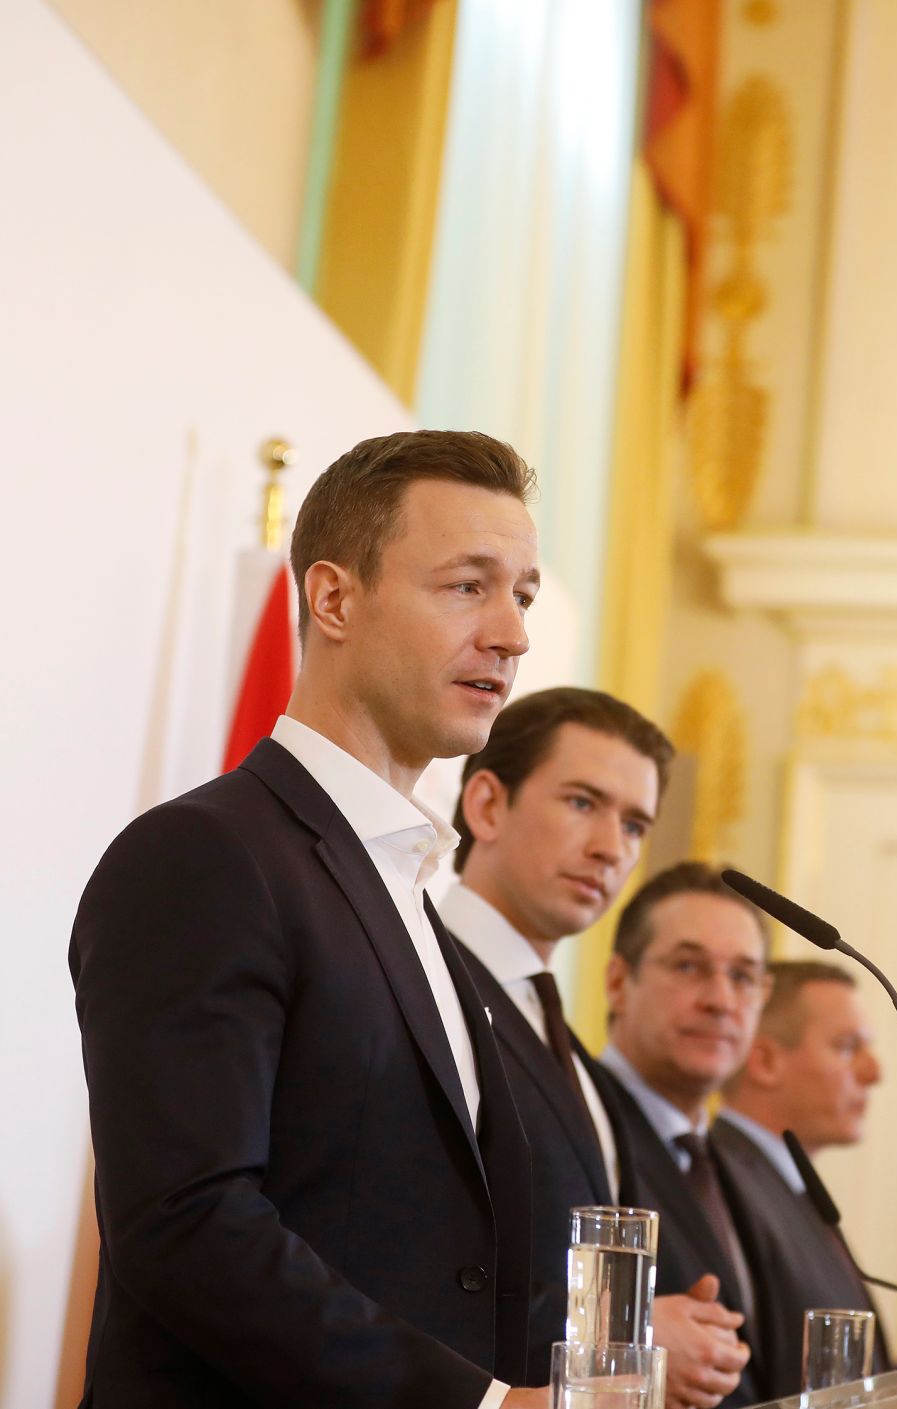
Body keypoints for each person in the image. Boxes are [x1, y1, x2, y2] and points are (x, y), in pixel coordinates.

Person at [70, 430, 556, 1407]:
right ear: (332, 598)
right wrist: (479, 1404)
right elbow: (186, 1222)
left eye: (523, 595)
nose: (511, 633)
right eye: (469, 585)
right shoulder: (206, 856)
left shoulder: (413, 893)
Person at [440, 687, 751, 1405]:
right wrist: (637, 1330)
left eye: (636, 824)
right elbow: (413, 1262)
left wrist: (680, 1325)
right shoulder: (415, 979)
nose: (612, 847)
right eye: (582, 802)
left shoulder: (576, 1056)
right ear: (487, 805)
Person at [597, 863, 776, 1406]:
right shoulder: (570, 1119)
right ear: (617, 982)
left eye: (742, 977)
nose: (720, 1000)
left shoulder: (743, 1164)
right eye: (689, 966)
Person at [711, 960, 891, 1393]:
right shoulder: (718, 1179)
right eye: (848, 1047)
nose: (873, 1073)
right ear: (767, 1060)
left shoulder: (786, 1183)